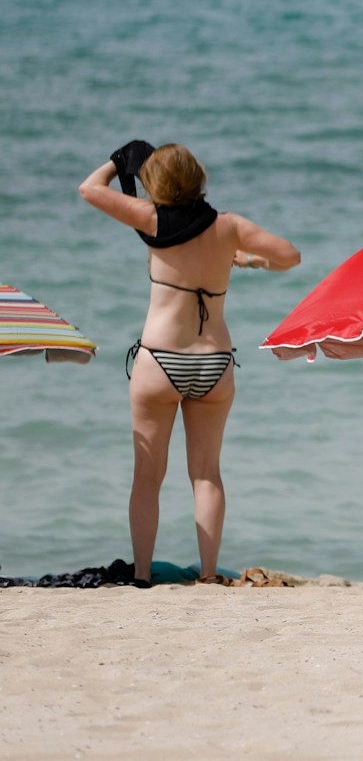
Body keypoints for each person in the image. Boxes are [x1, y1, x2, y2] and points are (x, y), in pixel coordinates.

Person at [78, 141, 300, 587]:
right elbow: (290, 256)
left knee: (148, 477)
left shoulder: (150, 219)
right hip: (215, 364)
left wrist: (119, 160)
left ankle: (142, 575)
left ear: (156, 184)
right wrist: (249, 260)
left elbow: (89, 189)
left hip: (160, 361)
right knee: (206, 473)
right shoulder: (228, 226)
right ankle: (208, 574)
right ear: (198, 178)